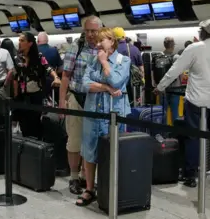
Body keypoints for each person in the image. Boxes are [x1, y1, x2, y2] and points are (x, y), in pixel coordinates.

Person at [155, 19, 210, 188]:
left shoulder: (195, 48)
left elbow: (175, 69)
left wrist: (160, 87)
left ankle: (190, 175)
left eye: (200, 30)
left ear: (204, 32)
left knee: (192, 137)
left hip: (196, 100)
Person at [77, 27, 131, 206]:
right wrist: (106, 88)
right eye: (97, 41)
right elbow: (85, 84)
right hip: (93, 112)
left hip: (114, 114)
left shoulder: (124, 61)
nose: (98, 44)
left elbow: (117, 81)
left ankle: (110, 188)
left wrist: (105, 64)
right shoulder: (93, 60)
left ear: (112, 41)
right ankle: (89, 189)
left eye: (102, 40)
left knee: (113, 152)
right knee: (89, 150)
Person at [59, 15, 101, 195]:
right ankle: (74, 177)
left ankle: (87, 177)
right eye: (88, 30)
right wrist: (62, 101)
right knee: (75, 140)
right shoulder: (75, 48)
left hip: (95, 101)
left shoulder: (103, 49)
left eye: (94, 31)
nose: (91, 34)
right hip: (76, 98)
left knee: (91, 141)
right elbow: (66, 75)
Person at [13, 32, 60, 139]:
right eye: (19, 40)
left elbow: (48, 68)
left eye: (22, 40)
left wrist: (56, 77)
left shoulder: (38, 57)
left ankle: (37, 147)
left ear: (29, 43)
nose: (19, 43)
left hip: (36, 95)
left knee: (35, 124)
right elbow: (15, 77)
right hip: (22, 96)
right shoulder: (17, 58)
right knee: (24, 125)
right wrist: (15, 96)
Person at [114, 27, 144, 107]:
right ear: (124, 37)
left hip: (118, 85)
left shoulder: (113, 50)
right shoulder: (135, 49)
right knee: (133, 105)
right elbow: (141, 68)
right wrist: (142, 80)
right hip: (133, 84)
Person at [38, 32, 63, 103]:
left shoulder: (35, 51)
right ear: (47, 40)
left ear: (38, 41)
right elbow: (61, 68)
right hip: (52, 81)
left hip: (39, 83)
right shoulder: (54, 50)